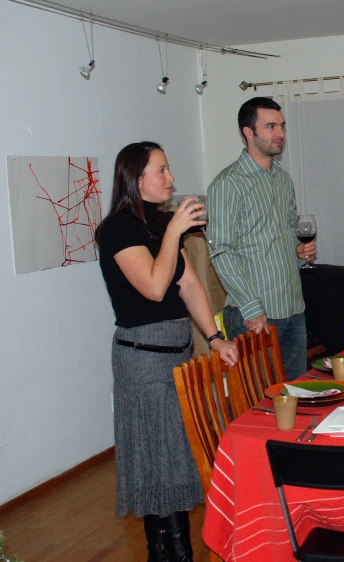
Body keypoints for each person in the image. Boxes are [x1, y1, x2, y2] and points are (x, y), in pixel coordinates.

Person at [95, 141, 238, 562]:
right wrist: (175, 230)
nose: (171, 178)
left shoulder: (157, 223)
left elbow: (189, 285)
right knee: (158, 460)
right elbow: (155, 288)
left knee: (174, 458)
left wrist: (214, 338)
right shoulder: (119, 228)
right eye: (162, 170)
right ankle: (169, 552)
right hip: (142, 360)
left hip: (175, 356)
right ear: (137, 179)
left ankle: (173, 550)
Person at [207, 97, 315, 380]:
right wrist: (252, 309)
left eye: (281, 126)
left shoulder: (282, 179)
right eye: (270, 126)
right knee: (259, 405)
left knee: (295, 397)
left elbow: (286, 236)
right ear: (248, 132)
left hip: (293, 307)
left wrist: (300, 253)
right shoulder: (228, 183)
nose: (279, 133)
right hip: (254, 316)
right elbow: (220, 251)